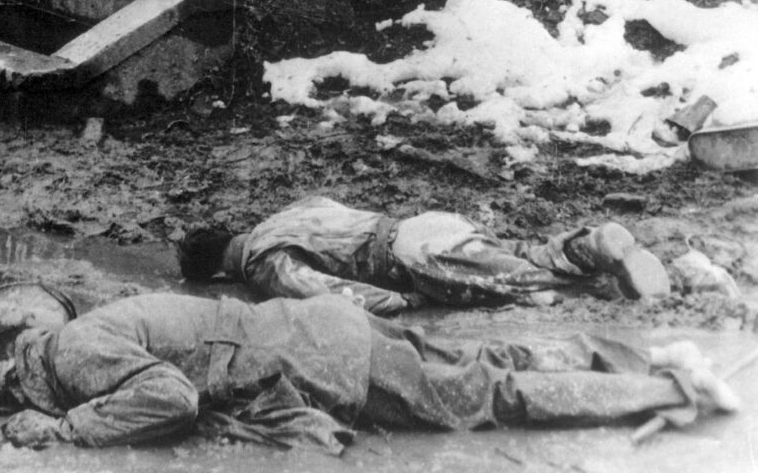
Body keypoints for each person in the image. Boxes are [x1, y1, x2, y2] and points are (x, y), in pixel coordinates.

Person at [0, 281, 738, 451]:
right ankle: (636, 356)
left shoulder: (72, 355)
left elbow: (172, 398)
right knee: (478, 357)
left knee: (487, 400)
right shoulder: (94, 325)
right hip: (318, 326)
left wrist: (71, 427)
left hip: (321, 358)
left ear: (14, 366)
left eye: (11, 388)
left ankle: (664, 388)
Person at [176, 195, 670, 315]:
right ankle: (587, 246)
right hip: (424, 224)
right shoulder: (286, 212)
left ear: (219, 273)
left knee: (519, 286)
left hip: (411, 256)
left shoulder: (261, 261)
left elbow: (326, 293)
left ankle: (606, 283)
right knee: (520, 258)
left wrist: (398, 304)